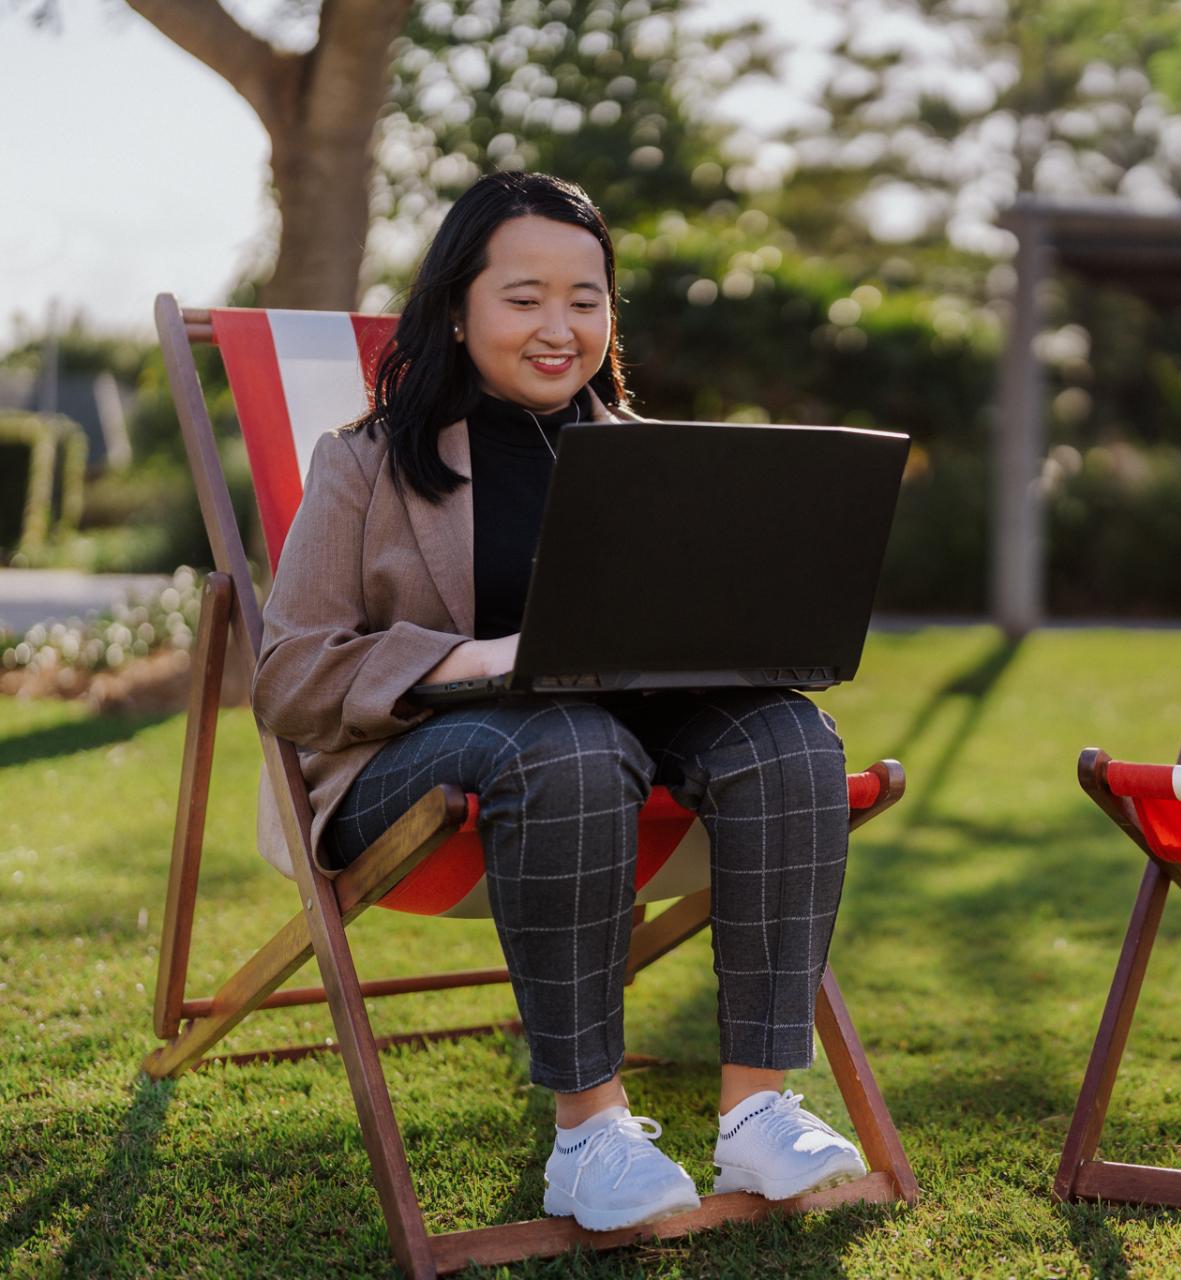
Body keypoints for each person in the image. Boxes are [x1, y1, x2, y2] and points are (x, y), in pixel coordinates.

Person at [251, 171, 867, 1232]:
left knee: (790, 739)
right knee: (569, 740)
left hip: (626, 753)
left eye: (586, 300)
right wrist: (473, 657)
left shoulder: (657, 460)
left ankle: (757, 1104)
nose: (559, 327)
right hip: (412, 774)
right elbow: (289, 673)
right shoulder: (364, 462)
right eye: (524, 296)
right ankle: (588, 1131)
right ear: (459, 305)